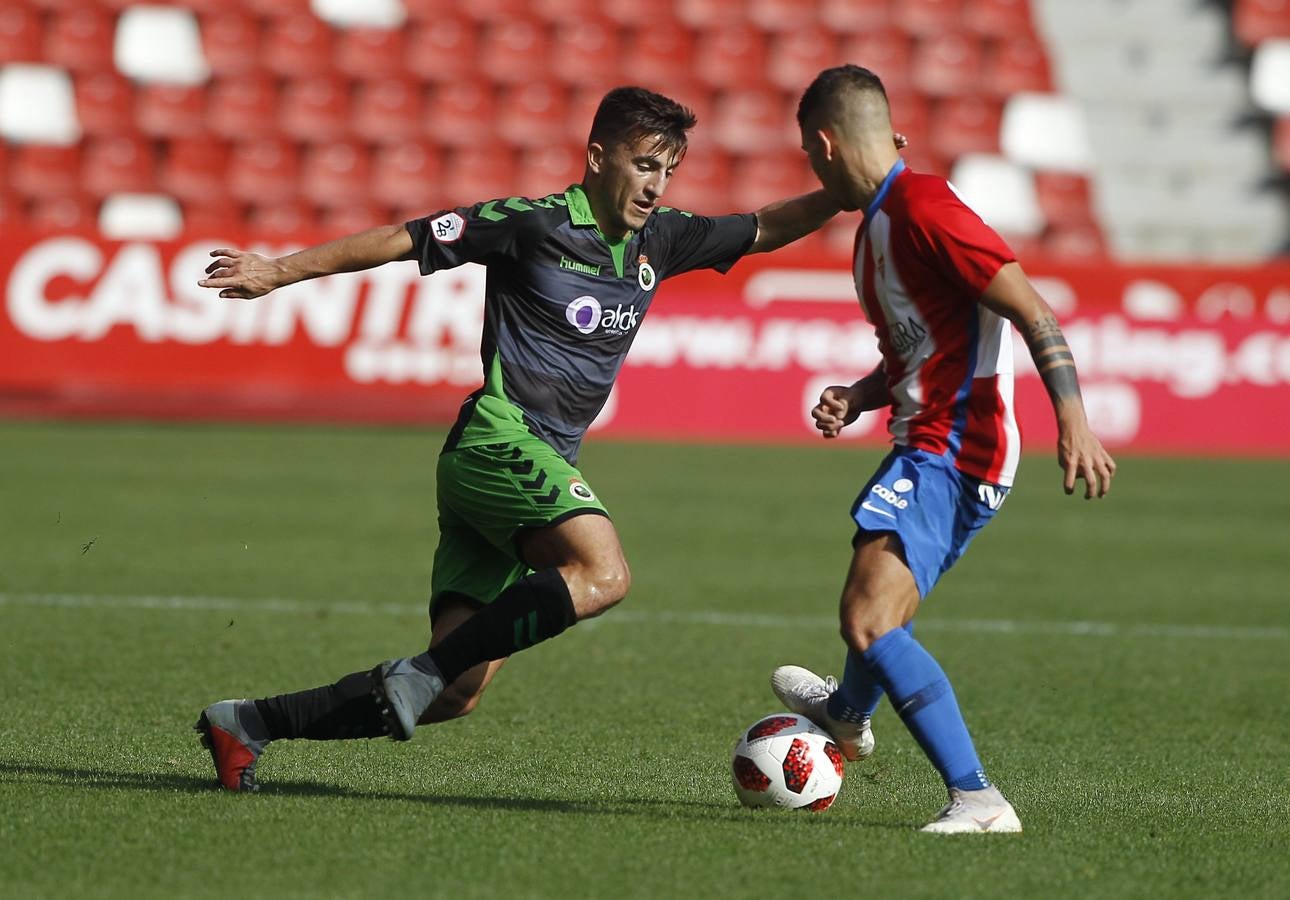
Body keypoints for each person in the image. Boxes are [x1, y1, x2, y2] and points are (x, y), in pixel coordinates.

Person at [192, 86, 879, 792]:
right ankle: (415, 672)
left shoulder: (661, 240)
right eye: (645, 165)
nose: (657, 185)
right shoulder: (533, 224)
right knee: (604, 575)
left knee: (456, 692)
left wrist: (848, 189)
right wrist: (279, 269)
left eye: (668, 171)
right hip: (499, 440)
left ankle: (248, 723)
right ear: (597, 156)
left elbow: (763, 227)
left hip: (527, 468)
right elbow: (406, 237)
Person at [768, 66, 1117, 834]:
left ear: (823, 145)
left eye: (808, 155)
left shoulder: (925, 208)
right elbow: (918, 351)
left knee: (868, 617)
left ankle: (978, 800)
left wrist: (1076, 420)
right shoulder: (876, 233)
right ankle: (849, 715)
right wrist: (858, 396)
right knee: (875, 608)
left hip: (957, 449)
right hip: (926, 440)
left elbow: (1032, 310)